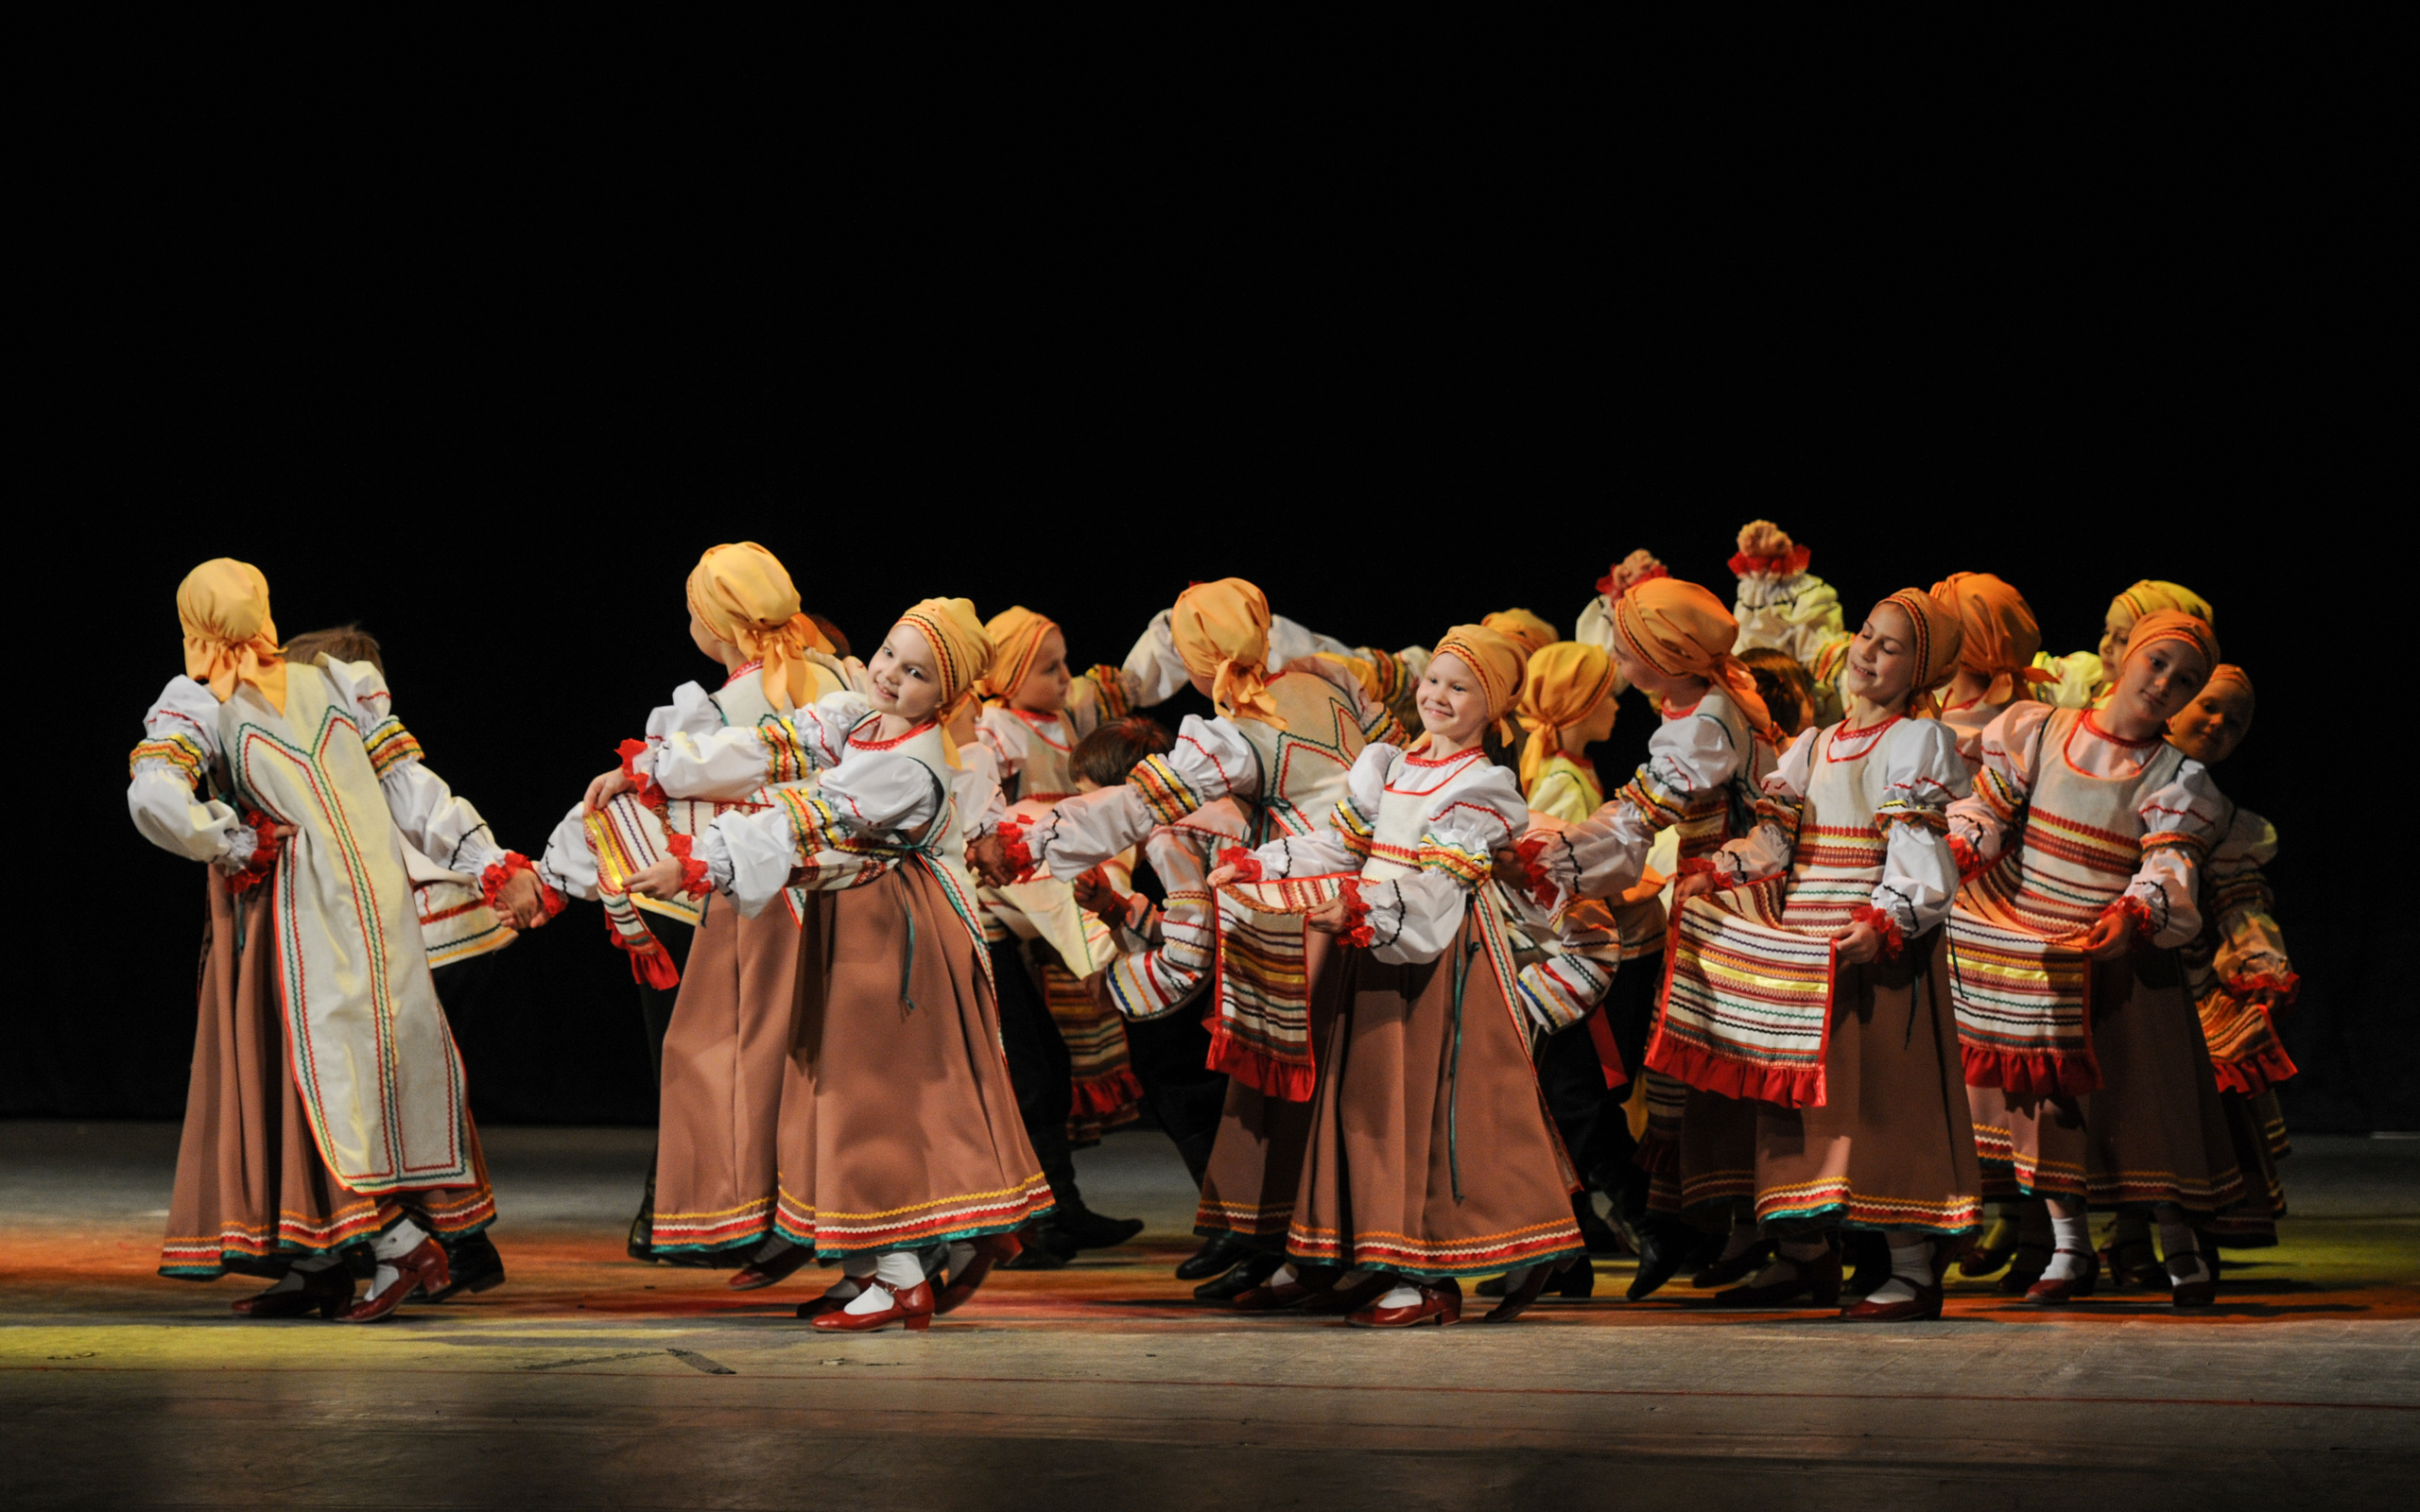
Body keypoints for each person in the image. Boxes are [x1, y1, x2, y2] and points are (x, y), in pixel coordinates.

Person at [625, 598, 1049, 1332]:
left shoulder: (912, 766)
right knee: (833, 1092)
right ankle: (875, 1269)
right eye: (889, 655)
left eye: (916, 674)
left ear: (944, 696)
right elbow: (768, 747)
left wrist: (698, 864)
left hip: (893, 937)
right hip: (849, 919)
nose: (890, 675)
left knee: (861, 1100)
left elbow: (809, 814)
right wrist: (654, 770)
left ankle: (901, 1280)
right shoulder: (860, 716)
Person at [130, 559, 539, 1322]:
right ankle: (319, 1264)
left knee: (310, 1077)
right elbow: (416, 793)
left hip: (294, 920)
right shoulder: (335, 684)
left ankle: (396, 1247)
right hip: (373, 911)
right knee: (350, 1073)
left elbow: (155, 796)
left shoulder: (204, 701)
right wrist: (486, 860)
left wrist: (226, 842)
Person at [1009, 579, 1403, 1295]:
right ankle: (1306, 1247)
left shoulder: (1234, 733)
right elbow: (1390, 766)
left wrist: (1030, 842)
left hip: (1294, 909)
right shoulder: (1329, 683)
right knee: (1341, 1083)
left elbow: (1138, 804)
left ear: (1194, 661)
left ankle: (1325, 1250)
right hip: (1367, 895)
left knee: (1295, 1087)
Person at [1205, 625, 1584, 1326]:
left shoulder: (1482, 786)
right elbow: (1341, 844)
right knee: (1353, 1103)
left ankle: (1425, 1276)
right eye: (1434, 680)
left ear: (1493, 707)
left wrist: (1365, 908)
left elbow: (1439, 886)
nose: (1438, 695)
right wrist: (1262, 863)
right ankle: (1337, 1253)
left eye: (1460, 687)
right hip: (1369, 942)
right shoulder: (1390, 764)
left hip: (1431, 957)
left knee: (1415, 1108)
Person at [1665, 590, 1979, 1321]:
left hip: (1871, 944)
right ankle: (1809, 1257)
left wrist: (1888, 920)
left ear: (1919, 671)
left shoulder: (1913, 742)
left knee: (1883, 1106)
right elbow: (1778, 841)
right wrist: (1725, 870)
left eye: (1891, 646)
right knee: (1809, 1112)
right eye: (1867, 634)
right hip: (1809, 946)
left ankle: (1912, 1270)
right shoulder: (1816, 744)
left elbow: (1917, 852)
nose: (1868, 651)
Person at [1945, 610, 2240, 1308]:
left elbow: (2167, 862)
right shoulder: (2041, 729)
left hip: (2117, 951)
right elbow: (1990, 810)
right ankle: (2069, 1248)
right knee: (2049, 1109)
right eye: (2157, 663)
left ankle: (2179, 1243)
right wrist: (1960, 847)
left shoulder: (2177, 776)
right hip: (2036, 943)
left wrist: (2136, 913)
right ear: (2127, 657)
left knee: (2144, 1102)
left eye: (2185, 681)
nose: (2164, 684)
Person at [1508, 576, 1783, 1300]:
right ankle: (1732, 1234)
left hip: (1739, 899)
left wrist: (1547, 859)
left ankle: (1776, 1240)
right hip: (1714, 898)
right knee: (1699, 1083)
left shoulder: (1708, 723)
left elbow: (1637, 819)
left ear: (1667, 656)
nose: (1618, 662)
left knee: (1736, 1074)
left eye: (1629, 651)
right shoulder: (1706, 705)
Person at [277, 623, 560, 1301]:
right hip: (405, 928)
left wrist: (495, 865)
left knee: (395, 1089)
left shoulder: (347, 718)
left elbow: (423, 801)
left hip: (416, 929)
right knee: (400, 1087)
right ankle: (420, 1242)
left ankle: (444, 1244)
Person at [972, 607, 1148, 1263]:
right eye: (1049, 667)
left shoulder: (1067, 719)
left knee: (1046, 1065)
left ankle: (1058, 1209)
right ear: (1008, 675)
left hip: (1040, 913)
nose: (1065, 677)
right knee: (1028, 1069)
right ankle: (1036, 1222)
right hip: (999, 915)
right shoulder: (995, 732)